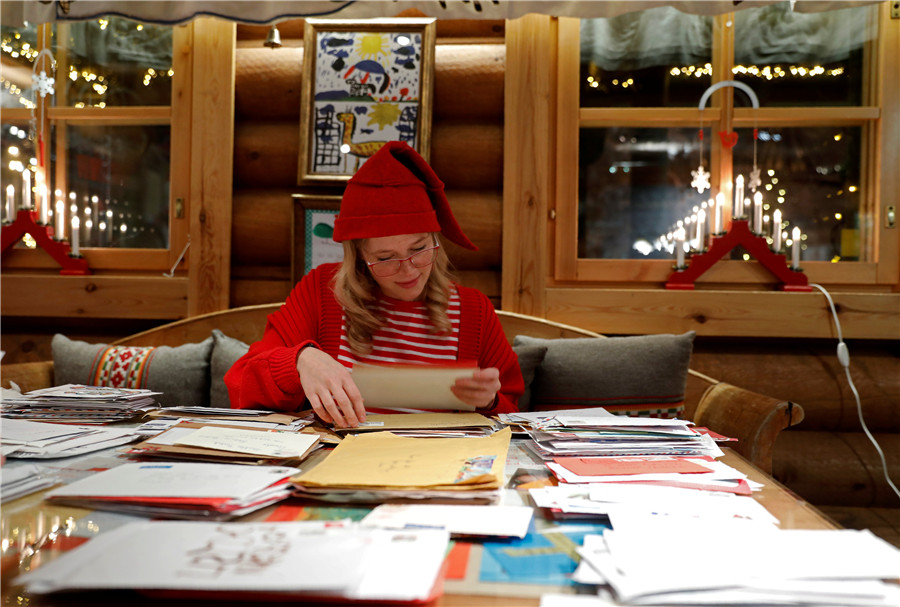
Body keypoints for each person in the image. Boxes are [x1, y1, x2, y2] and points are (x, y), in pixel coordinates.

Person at [225, 141, 523, 427]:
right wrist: (301, 360)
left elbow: (513, 415)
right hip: (343, 464)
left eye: (419, 249)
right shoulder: (322, 292)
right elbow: (241, 386)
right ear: (358, 258)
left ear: (436, 240)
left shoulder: (474, 310)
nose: (408, 271)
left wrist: (488, 402)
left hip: (443, 468)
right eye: (385, 258)